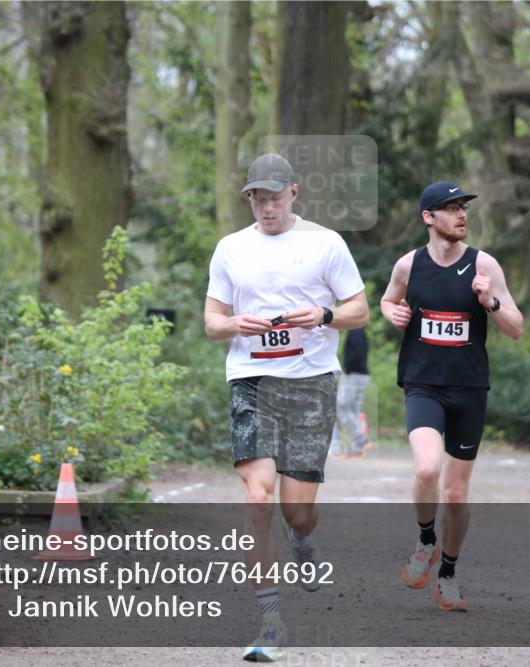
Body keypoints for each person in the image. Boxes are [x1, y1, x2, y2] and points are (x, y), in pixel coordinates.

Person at [204, 153, 368, 661]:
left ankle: (301, 540)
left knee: (297, 512)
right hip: (251, 381)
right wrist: (237, 325)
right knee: (258, 498)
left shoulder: (326, 243)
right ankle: (270, 622)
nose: (265, 206)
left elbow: (358, 311)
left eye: (274, 196)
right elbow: (212, 321)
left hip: (310, 383)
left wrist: (322, 314)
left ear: (294, 192)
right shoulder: (231, 248)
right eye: (257, 197)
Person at [380, 181, 523, 612]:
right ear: (428, 217)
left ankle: (447, 574)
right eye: (450, 208)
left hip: (468, 387)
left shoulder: (485, 265)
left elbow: (516, 327)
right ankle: (426, 541)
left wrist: (490, 301)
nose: (461, 214)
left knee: (457, 494)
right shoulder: (409, 265)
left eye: (463, 208)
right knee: (427, 468)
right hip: (423, 383)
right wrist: (394, 312)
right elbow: (388, 301)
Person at [329, 327, 373, 459]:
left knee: (340, 409)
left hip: (353, 375)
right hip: (362, 375)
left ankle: (361, 440)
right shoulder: (361, 331)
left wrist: (347, 370)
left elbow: (356, 354)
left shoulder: (356, 331)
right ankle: (358, 449)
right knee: (353, 411)